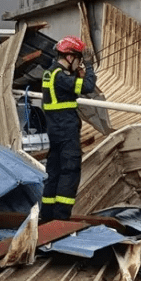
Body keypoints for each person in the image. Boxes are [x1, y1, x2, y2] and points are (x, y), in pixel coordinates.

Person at [40, 36, 97, 222]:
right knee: (69, 173)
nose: (79, 63)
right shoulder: (60, 76)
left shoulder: (50, 73)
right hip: (67, 132)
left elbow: (65, 91)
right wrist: (88, 67)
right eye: (79, 59)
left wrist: (76, 73)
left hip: (55, 132)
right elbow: (88, 86)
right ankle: (61, 221)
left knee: (54, 175)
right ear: (70, 57)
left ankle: (46, 219)